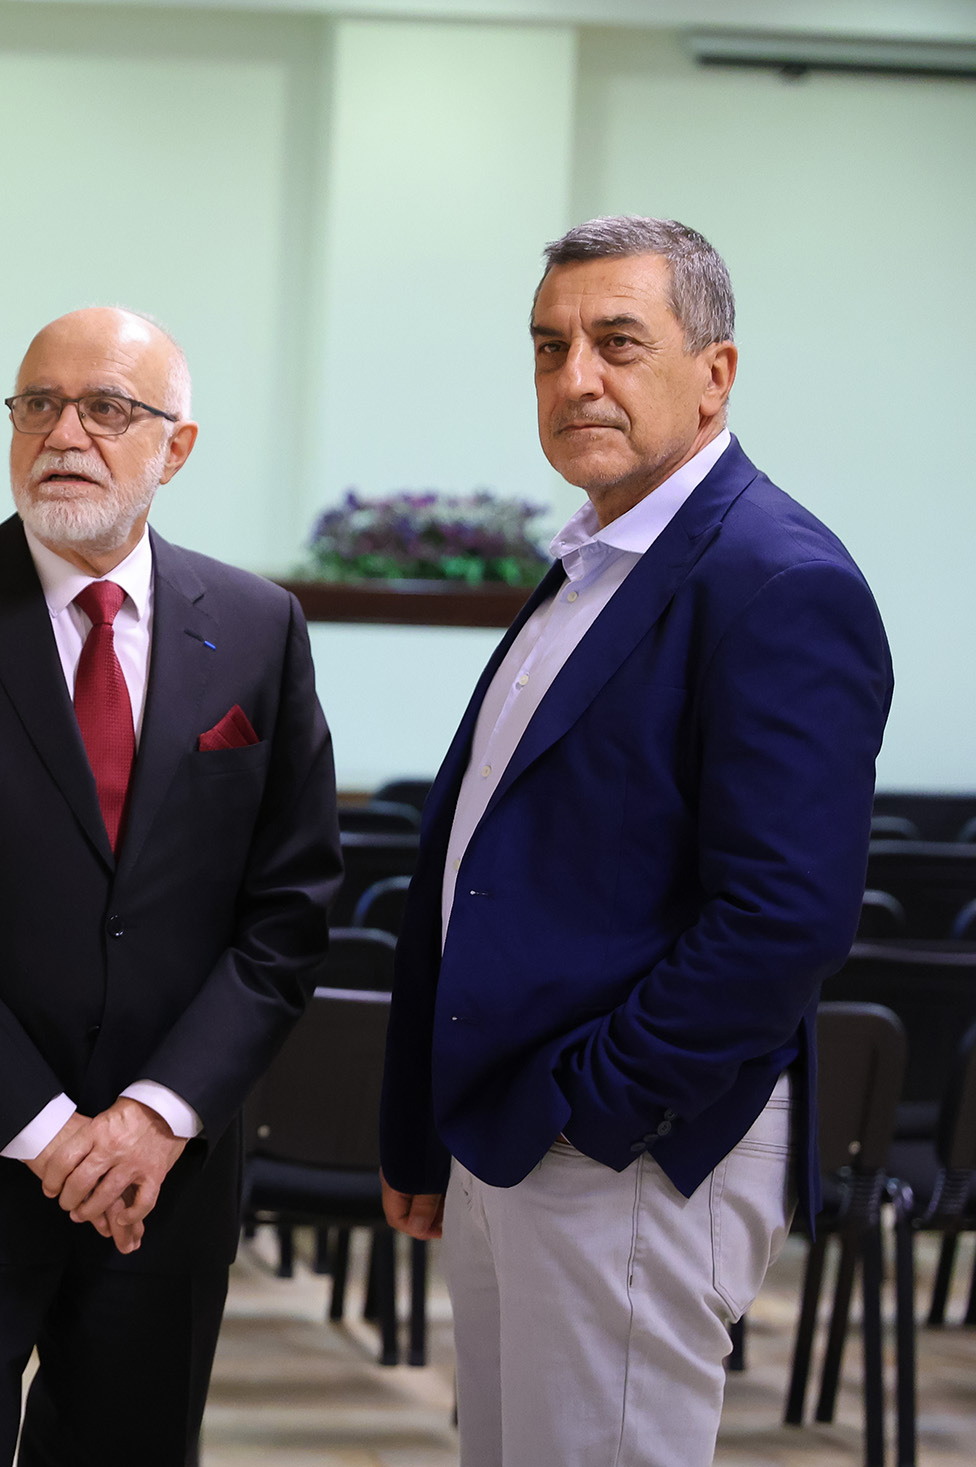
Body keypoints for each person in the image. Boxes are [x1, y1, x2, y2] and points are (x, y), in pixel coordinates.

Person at [378, 217, 893, 1466]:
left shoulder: (778, 579)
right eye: (548, 348)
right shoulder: (592, 563)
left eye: (617, 343)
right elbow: (483, 859)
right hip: (516, 1134)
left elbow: (784, 917)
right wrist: (433, 1123)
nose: (575, 379)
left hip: (623, 1152)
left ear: (715, 373)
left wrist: (595, 1109)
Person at [0, 307, 342, 1464]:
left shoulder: (258, 627)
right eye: (38, 405)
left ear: (175, 446)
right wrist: (48, 1132)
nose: (64, 434)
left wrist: (155, 1115)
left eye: (106, 408)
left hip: (164, 1184)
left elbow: (289, 911)